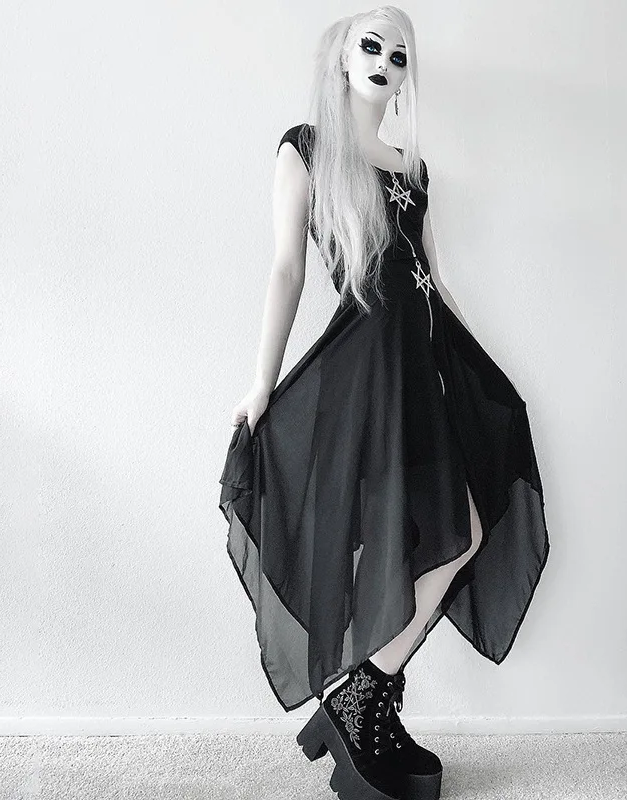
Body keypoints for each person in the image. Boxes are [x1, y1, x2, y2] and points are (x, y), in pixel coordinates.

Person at [219, 7, 550, 799]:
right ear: (341, 58)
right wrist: (261, 383)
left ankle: (364, 695)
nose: (385, 61)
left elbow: (434, 283)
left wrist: (483, 370)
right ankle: (362, 704)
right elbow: (287, 271)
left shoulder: (413, 167)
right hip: (367, 369)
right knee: (404, 535)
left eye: (399, 55)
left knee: (461, 533)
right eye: (371, 45)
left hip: (422, 366)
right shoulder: (307, 150)